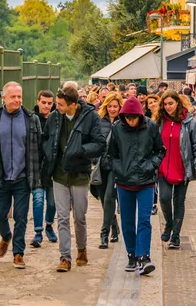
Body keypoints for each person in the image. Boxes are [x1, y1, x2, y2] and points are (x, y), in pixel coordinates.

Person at [43, 86, 106, 272]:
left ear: (72, 104)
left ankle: (82, 248)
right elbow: (46, 139)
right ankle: (64, 257)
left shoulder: (90, 117)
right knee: (62, 217)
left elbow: (99, 143)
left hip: (80, 174)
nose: (57, 107)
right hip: (59, 174)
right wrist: (49, 153)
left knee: (79, 217)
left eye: (61, 104)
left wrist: (80, 151)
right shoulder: (55, 118)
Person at [0, 82, 43, 269]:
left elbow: (39, 147)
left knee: (21, 216)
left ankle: (18, 254)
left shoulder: (31, 119)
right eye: (13, 97)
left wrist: (36, 171)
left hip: (23, 177)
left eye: (19, 96)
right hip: (0, 177)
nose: (17, 100)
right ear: (4, 98)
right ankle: (6, 236)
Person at [108, 97, 166, 274]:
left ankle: (144, 256)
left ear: (140, 116)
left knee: (144, 220)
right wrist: (120, 170)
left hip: (146, 182)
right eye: (127, 117)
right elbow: (111, 155)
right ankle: (131, 255)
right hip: (124, 183)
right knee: (127, 221)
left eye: (133, 117)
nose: (130, 121)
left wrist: (151, 166)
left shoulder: (151, 127)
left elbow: (160, 150)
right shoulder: (117, 128)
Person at [155, 90, 196, 249]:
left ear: (178, 103)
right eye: (165, 104)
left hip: (182, 168)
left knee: (179, 202)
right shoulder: (158, 122)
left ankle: (176, 236)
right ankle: (169, 224)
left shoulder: (189, 122)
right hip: (163, 168)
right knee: (164, 198)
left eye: (170, 103)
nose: (168, 107)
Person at [96, 92, 124, 249]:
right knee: (102, 199)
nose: (112, 109)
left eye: (115, 106)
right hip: (100, 166)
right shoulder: (99, 122)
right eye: (110, 106)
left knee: (108, 198)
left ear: (120, 107)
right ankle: (114, 226)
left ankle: (104, 234)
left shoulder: (124, 123)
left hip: (115, 166)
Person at [30, 90, 58, 247]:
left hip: (53, 168)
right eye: (44, 102)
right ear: (38, 101)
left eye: (49, 103)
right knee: (38, 200)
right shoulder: (31, 119)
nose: (46, 106)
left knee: (53, 202)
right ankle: (38, 232)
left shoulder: (56, 119)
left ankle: (48, 226)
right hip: (36, 166)